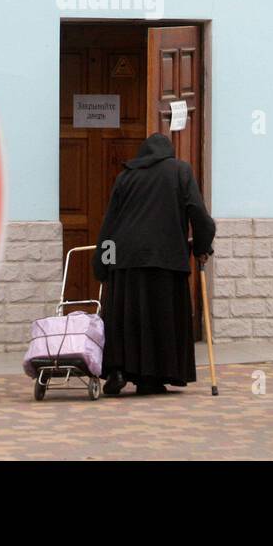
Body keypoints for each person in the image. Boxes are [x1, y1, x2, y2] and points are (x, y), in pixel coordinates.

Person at [95, 133, 216, 396]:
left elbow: (110, 222)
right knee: (158, 317)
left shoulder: (125, 177)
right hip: (165, 259)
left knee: (125, 317)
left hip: (123, 258)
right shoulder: (180, 171)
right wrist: (202, 247)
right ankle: (151, 377)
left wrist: (102, 264)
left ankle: (117, 368)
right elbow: (198, 212)